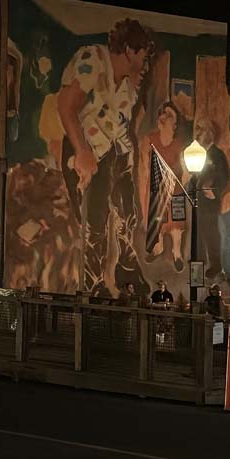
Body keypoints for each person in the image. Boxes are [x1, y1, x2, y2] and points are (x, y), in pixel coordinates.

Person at [57, 18, 154, 298]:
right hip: (86, 150)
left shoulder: (127, 87)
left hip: (114, 151)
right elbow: (66, 106)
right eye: (143, 53)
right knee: (95, 222)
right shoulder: (93, 59)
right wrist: (82, 151)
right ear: (129, 50)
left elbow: (120, 125)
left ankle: (126, 267)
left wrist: (128, 161)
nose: (146, 60)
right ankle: (93, 283)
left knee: (127, 213)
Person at [141, 102, 187, 271]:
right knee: (157, 221)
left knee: (176, 225)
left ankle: (177, 254)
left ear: (174, 122)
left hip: (175, 189)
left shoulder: (179, 144)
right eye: (164, 113)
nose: (165, 117)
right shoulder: (150, 139)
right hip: (156, 188)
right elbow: (145, 164)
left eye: (170, 115)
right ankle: (157, 249)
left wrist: (182, 179)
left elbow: (186, 168)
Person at [194, 119, 230, 280]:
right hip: (199, 201)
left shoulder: (217, 154)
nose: (198, 135)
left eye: (201, 132)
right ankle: (202, 263)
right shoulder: (198, 154)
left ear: (209, 134)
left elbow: (224, 176)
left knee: (211, 233)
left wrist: (214, 191)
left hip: (210, 201)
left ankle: (216, 265)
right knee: (201, 232)